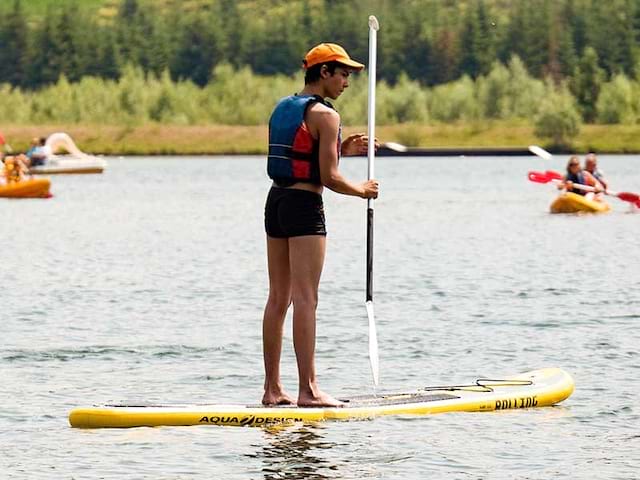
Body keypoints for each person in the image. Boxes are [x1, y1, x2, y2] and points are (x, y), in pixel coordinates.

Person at [262, 43, 379, 407]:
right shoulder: (326, 116)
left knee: (279, 298)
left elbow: (303, 156)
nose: (347, 81)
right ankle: (308, 390)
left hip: (276, 202)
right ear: (324, 72)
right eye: (343, 73)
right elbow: (329, 178)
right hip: (303, 207)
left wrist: (340, 146)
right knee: (306, 299)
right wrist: (362, 190)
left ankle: (272, 389)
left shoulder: (284, 107)